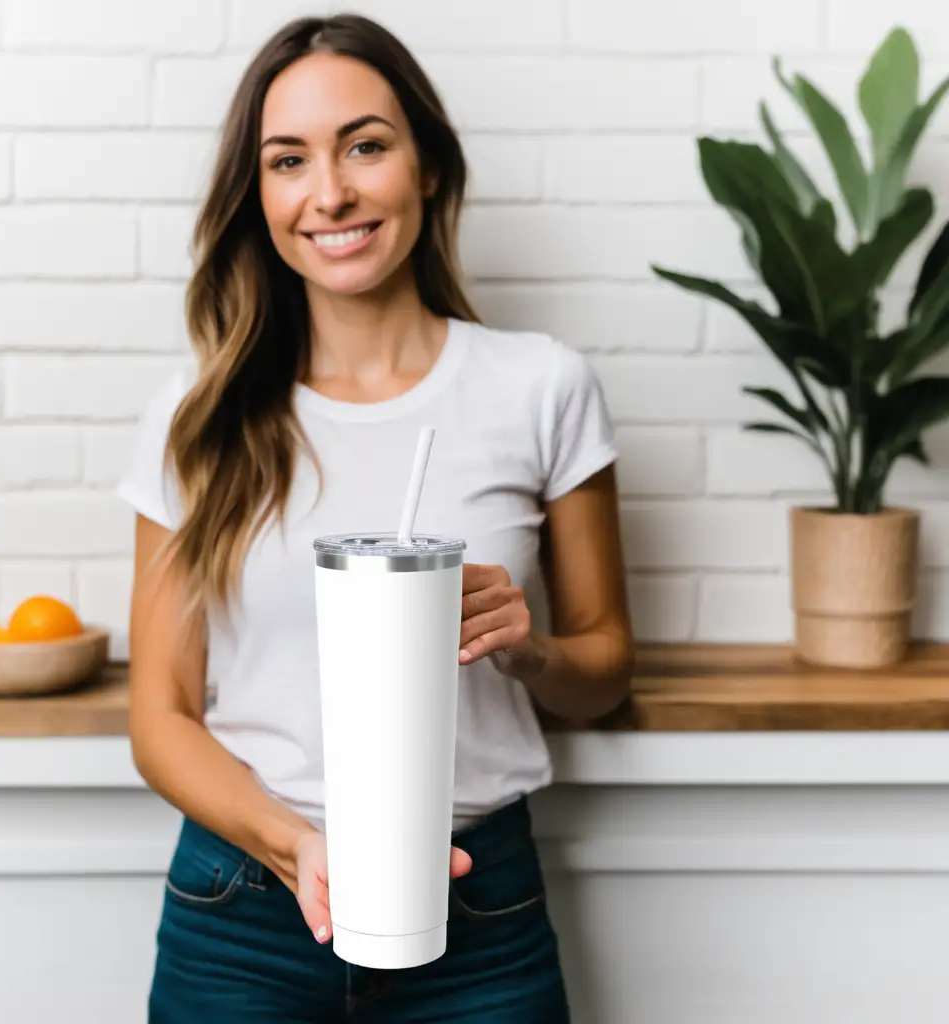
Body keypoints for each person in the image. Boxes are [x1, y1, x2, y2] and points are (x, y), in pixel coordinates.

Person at [117, 12, 634, 1023]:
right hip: (245, 911)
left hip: (476, 909)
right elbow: (160, 720)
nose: (331, 192)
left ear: (427, 166)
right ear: (258, 195)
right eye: (287, 160)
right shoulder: (199, 415)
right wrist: (297, 845)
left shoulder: (539, 386)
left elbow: (604, 675)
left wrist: (524, 648)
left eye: (365, 145)